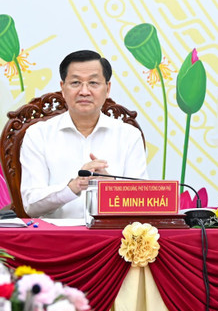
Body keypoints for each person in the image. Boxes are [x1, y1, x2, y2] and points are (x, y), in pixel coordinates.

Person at [19, 50, 148, 218]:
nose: (84, 91)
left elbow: (142, 203)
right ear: (63, 88)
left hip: (112, 238)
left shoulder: (129, 136)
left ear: (107, 89)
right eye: (75, 83)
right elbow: (31, 205)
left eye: (93, 83)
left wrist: (112, 189)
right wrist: (72, 188)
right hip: (56, 238)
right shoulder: (38, 135)